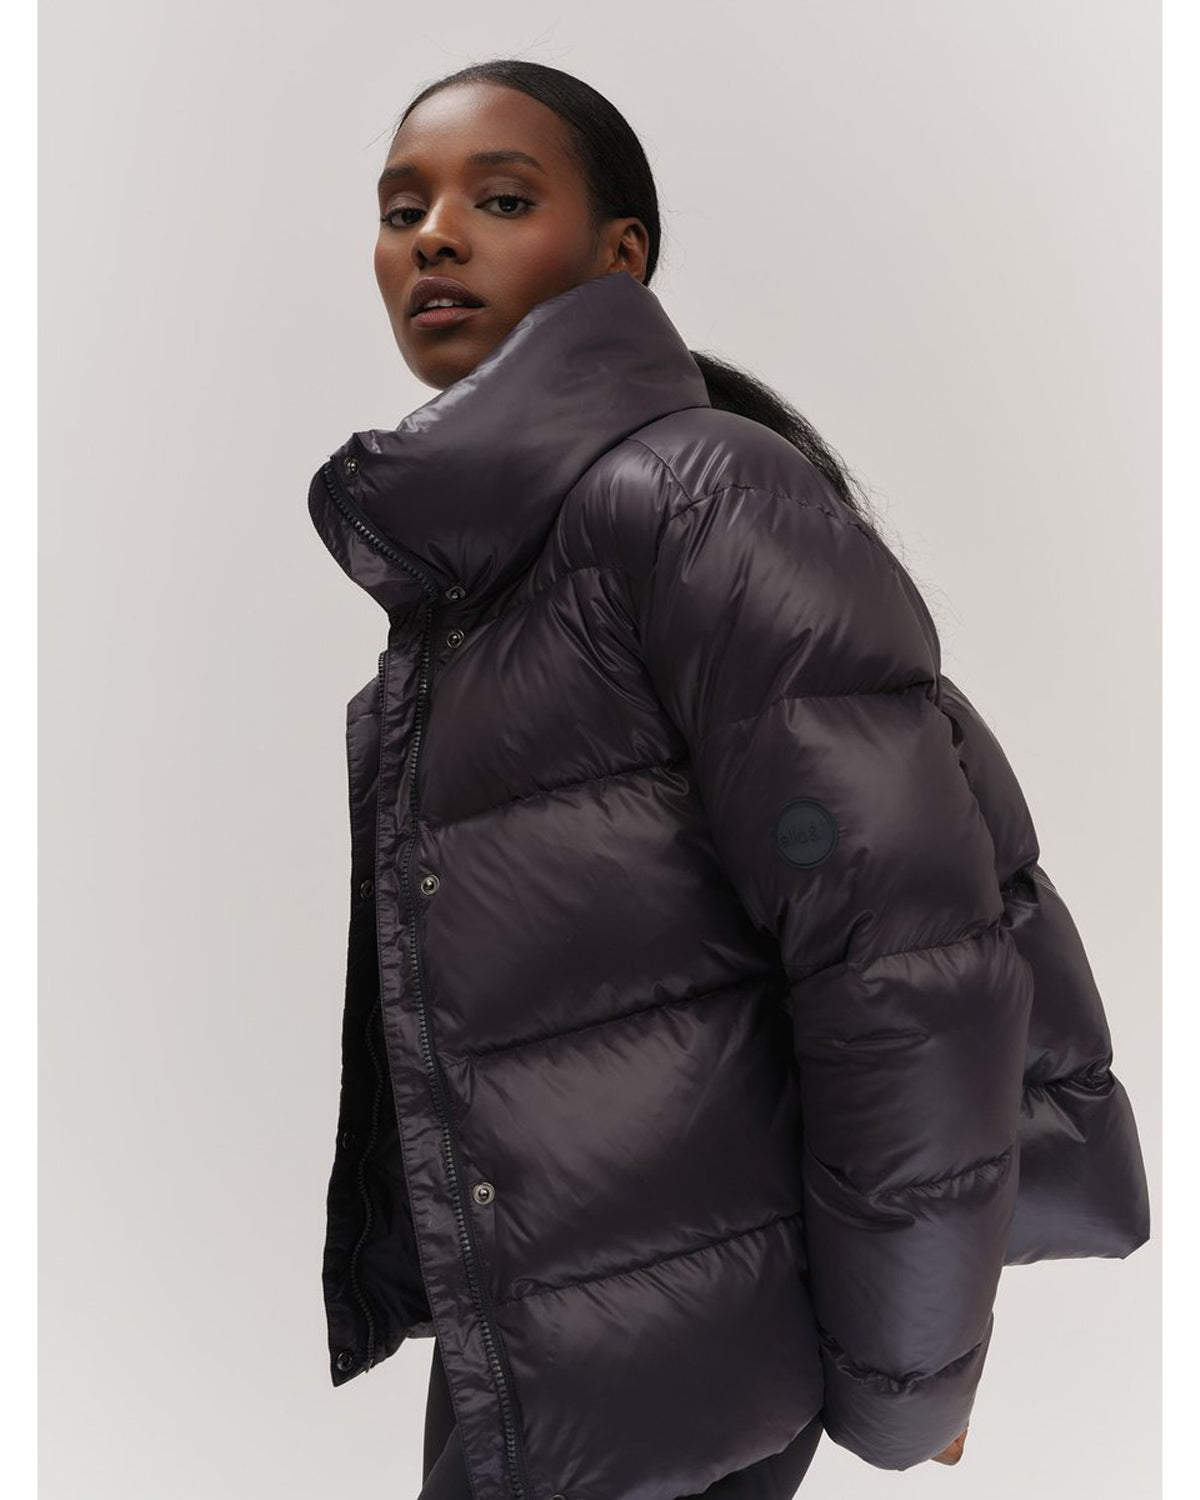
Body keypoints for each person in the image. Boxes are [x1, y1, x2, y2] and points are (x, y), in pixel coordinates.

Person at [308, 58, 1150, 1500]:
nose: (434, 237)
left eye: (499, 200)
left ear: (619, 255)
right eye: (403, 211)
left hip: (683, 1364)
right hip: (561, 1334)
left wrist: (910, 1363)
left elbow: (902, 972)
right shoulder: (490, 578)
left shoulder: (694, 501)